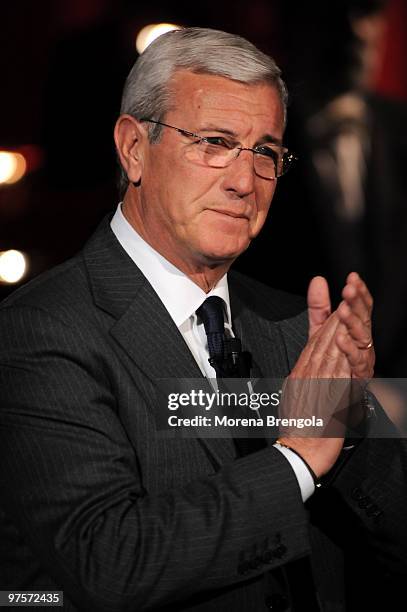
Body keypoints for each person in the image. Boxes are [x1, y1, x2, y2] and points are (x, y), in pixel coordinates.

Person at [0, 27, 405, 612]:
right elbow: (108, 563)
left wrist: (347, 409)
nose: (244, 183)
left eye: (265, 152)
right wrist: (296, 458)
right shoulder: (39, 331)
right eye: (214, 142)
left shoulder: (299, 326)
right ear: (134, 149)